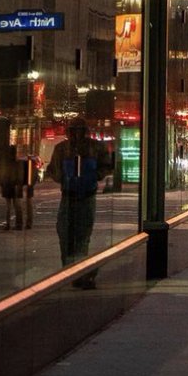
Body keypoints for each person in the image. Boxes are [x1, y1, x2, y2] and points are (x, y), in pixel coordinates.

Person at [45, 117, 111, 286]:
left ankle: (77, 272)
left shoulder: (93, 147)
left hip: (85, 196)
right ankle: (72, 271)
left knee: (80, 236)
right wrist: (63, 177)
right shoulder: (63, 149)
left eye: (79, 130)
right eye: (74, 131)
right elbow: (53, 169)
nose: (76, 134)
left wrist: (94, 175)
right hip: (70, 195)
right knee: (68, 235)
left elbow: (107, 165)